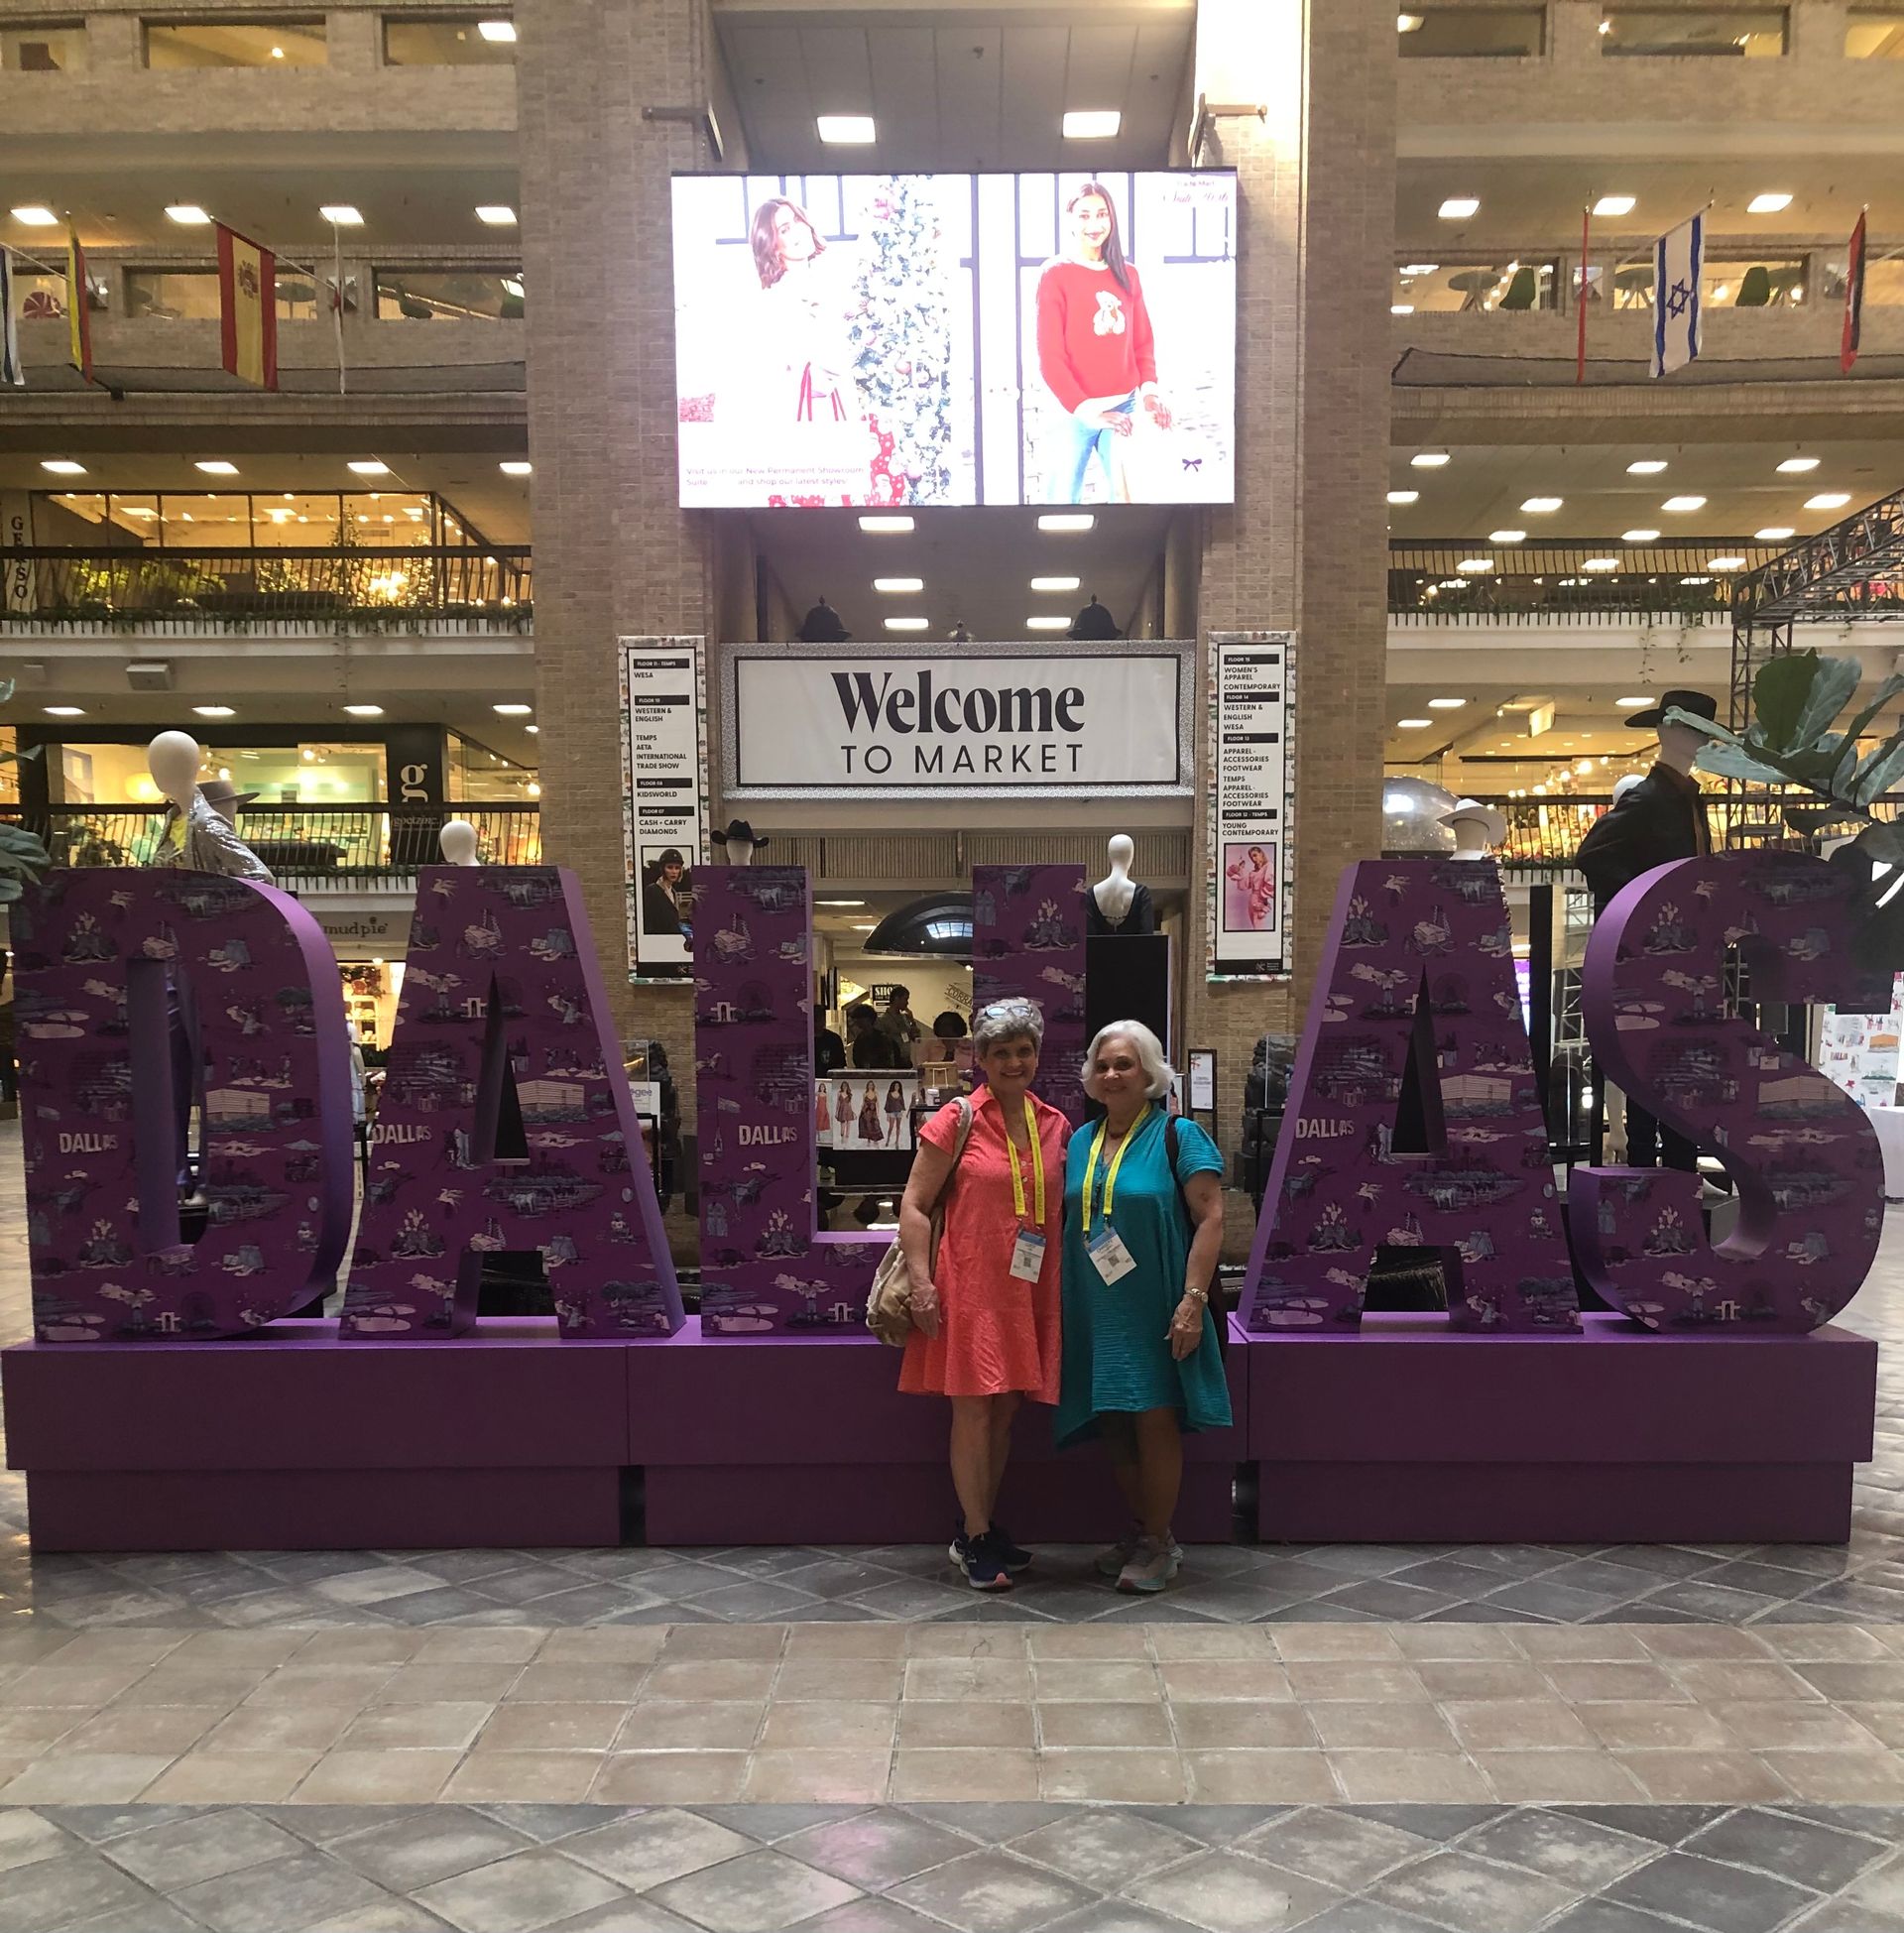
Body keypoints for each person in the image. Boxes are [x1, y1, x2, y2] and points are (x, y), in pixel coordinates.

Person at [897, 998, 1068, 1590]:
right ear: (982, 1060)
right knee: (973, 1408)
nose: (1014, 1062)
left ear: (1037, 1055)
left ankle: (983, 1525)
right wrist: (921, 1283)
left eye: (1024, 1051)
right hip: (968, 1285)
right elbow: (915, 1206)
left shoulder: (1055, 1124)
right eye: (1001, 1053)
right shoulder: (957, 1118)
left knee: (1005, 1409)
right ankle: (972, 1537)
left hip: (1029, 1286)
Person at [1057, 1021, 1230, 1594]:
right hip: (1093, 1305)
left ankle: (1160, 1540)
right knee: (1112, 1416)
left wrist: (1192, 1301)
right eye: (1103, 1065)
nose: (1111, 1074)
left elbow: (1211, 1219)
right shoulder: (1080, 1141)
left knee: (1154, 1416)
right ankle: (1143, 1531)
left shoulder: (1180, 1135)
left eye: (1124, 1064)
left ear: (1150, 1072)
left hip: (1157, 1299)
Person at [1574, 688, 1717, 1172]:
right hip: (1651, 953)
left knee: (1675, 1067)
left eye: (1700, 731)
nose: (1692, 739)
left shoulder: (1686, 800)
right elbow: (1594, 855)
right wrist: (1647, 905)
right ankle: (1647, 1170)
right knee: (1651, 1063)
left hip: (1683, 955)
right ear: (1663, 731)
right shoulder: (1650, 798)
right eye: (1685, 729)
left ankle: (1677, 1170)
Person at [1034, 181, 1172, 506]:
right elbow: (1050, 358)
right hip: (1072, 412)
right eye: (1084, 216)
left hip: (1123, 407)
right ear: (1069, 220)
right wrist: (1086, 411)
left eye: (1101, 215)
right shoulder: (1055, 274)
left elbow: (1142, 342)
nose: (1094, 225)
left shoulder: (1129, 275)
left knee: (1128, 499)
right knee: (1062, 502)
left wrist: (1150, 394)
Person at [642, 850, 689, 937]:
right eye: (670, 867)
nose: (674, 871)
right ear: (663, 868)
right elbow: (648, 922)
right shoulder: (652, 890)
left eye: (677, 868)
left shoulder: (673, 893)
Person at [877, 984, 923, 1066]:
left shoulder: (905, 1018)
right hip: (892, 1061)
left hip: (906, 1059)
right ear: (896, 998)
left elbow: (917, 1038)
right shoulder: (883, 1020)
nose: (907, 1003)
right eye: (905, 999)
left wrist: (912, 1021)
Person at [846, 1003, 887, 1069]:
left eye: (859, 1023)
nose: (855, 1028)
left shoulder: (883, 1039)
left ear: (868, 1020)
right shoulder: (859, 1040)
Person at [813, 1012, 847, 1077]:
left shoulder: (834, 1039)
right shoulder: (805, 1039)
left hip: (830, 1079)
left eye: (819, 1019)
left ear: (824, 1020)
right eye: (815, 1020)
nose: (816, 1024)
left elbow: (840, 1063)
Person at [885, 1078, 906, 1147]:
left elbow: (902, 1103)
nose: (897, 1087)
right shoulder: (889, 1094)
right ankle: (888, 1139)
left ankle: (897, 1141)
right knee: (891, 1127)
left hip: (899, 1112)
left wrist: (903, 1111)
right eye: (896, 1086)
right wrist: (887, 1114)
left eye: (898, 1086)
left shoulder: (900, 1094)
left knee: (898, 1127)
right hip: (892, 1112)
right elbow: (887, 1104)